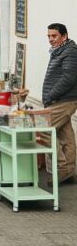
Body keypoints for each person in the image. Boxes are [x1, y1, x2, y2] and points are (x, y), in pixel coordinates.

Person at [42, 23, 77, 183]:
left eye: (54, 36)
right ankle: (69, 170)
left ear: (64, 36)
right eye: (49, 36)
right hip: (62, 99)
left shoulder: (70, 52)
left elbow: (69, 78)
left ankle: (61, 169)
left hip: (64, 99)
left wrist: (50, 96)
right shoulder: (60, 50)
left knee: (44, 129)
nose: (51, 39)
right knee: (65, 134)